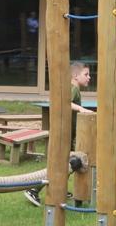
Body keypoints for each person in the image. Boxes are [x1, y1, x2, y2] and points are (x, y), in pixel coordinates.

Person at [24, 62, 94, 206]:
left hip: (68, 134)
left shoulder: (74, 88)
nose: (89, 77)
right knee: (62, 164)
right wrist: (81, 109)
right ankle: (33, 189)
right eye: (86, 74)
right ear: (75, 75)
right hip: (65, 134)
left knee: (68, 163)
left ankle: (61, 190)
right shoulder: (73, 88)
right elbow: (65, 102)